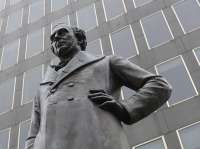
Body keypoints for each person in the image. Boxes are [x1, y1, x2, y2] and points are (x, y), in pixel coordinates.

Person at [25, 24, 172, 149]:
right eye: (53, 38)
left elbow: (159, 85)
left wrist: (125, 108)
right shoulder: (43, 87)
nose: (56, 38)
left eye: (62, 33)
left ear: (79, 39)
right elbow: (32, 135)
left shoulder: (106, 63)